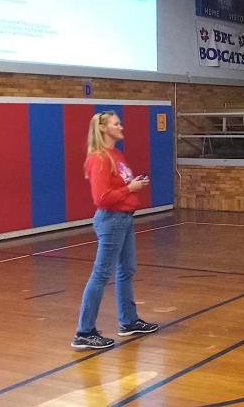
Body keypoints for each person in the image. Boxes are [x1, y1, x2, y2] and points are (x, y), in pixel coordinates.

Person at [72, 111, 159, 350]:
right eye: (116, 124)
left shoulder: (116, 154)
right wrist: (130, 188)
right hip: (111, 220)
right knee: (101, 274)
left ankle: (129, 321)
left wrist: (133, 185)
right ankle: (84, 331)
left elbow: (118, 186)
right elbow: (101, 198)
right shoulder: (99, 158)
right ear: (103, 129)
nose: (121, 127)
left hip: (124, 219)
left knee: (126, 270)